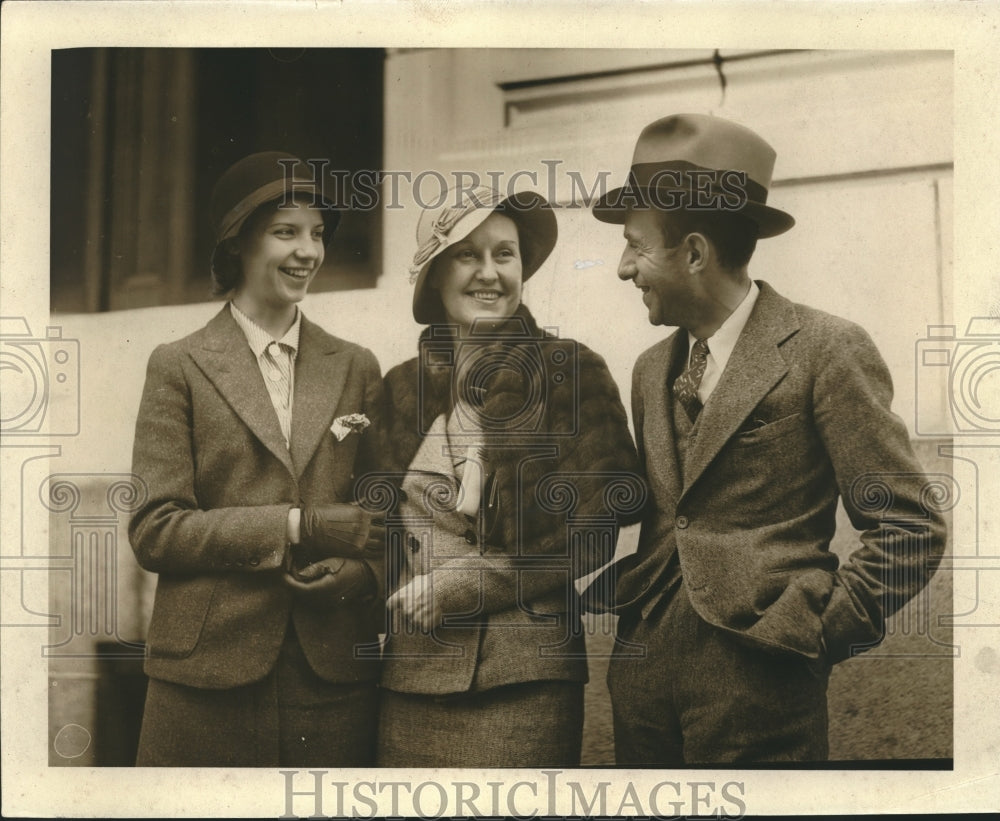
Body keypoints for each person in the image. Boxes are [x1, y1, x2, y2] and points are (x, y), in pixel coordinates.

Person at [584, 113, 948, 764]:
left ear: (694, 252)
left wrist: (814, 633)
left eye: (635, 245)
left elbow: (912, 524)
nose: (621, 267)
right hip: (641, 687)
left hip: (763, 689)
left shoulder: (826, 350)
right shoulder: (647, 370)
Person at [128, 151, 385, 766]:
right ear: (237, 242)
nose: (308, 252)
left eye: (317, 233)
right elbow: (154, 528)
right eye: (285, 232)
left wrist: (365, 576)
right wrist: (296, 525)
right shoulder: (179, 364)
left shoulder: (355, 365)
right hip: (205, 675)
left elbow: (386, 514)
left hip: (330, 673)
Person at [373, 185, 644, 767]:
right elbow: (377, 533)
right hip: (411, 680)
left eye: (505, 254)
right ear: (435, 275)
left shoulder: (568, 370)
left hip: (527, 677)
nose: (489, 273)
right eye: (467, 255)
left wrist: (462, 586)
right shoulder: (398, 391)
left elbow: (597, 527)